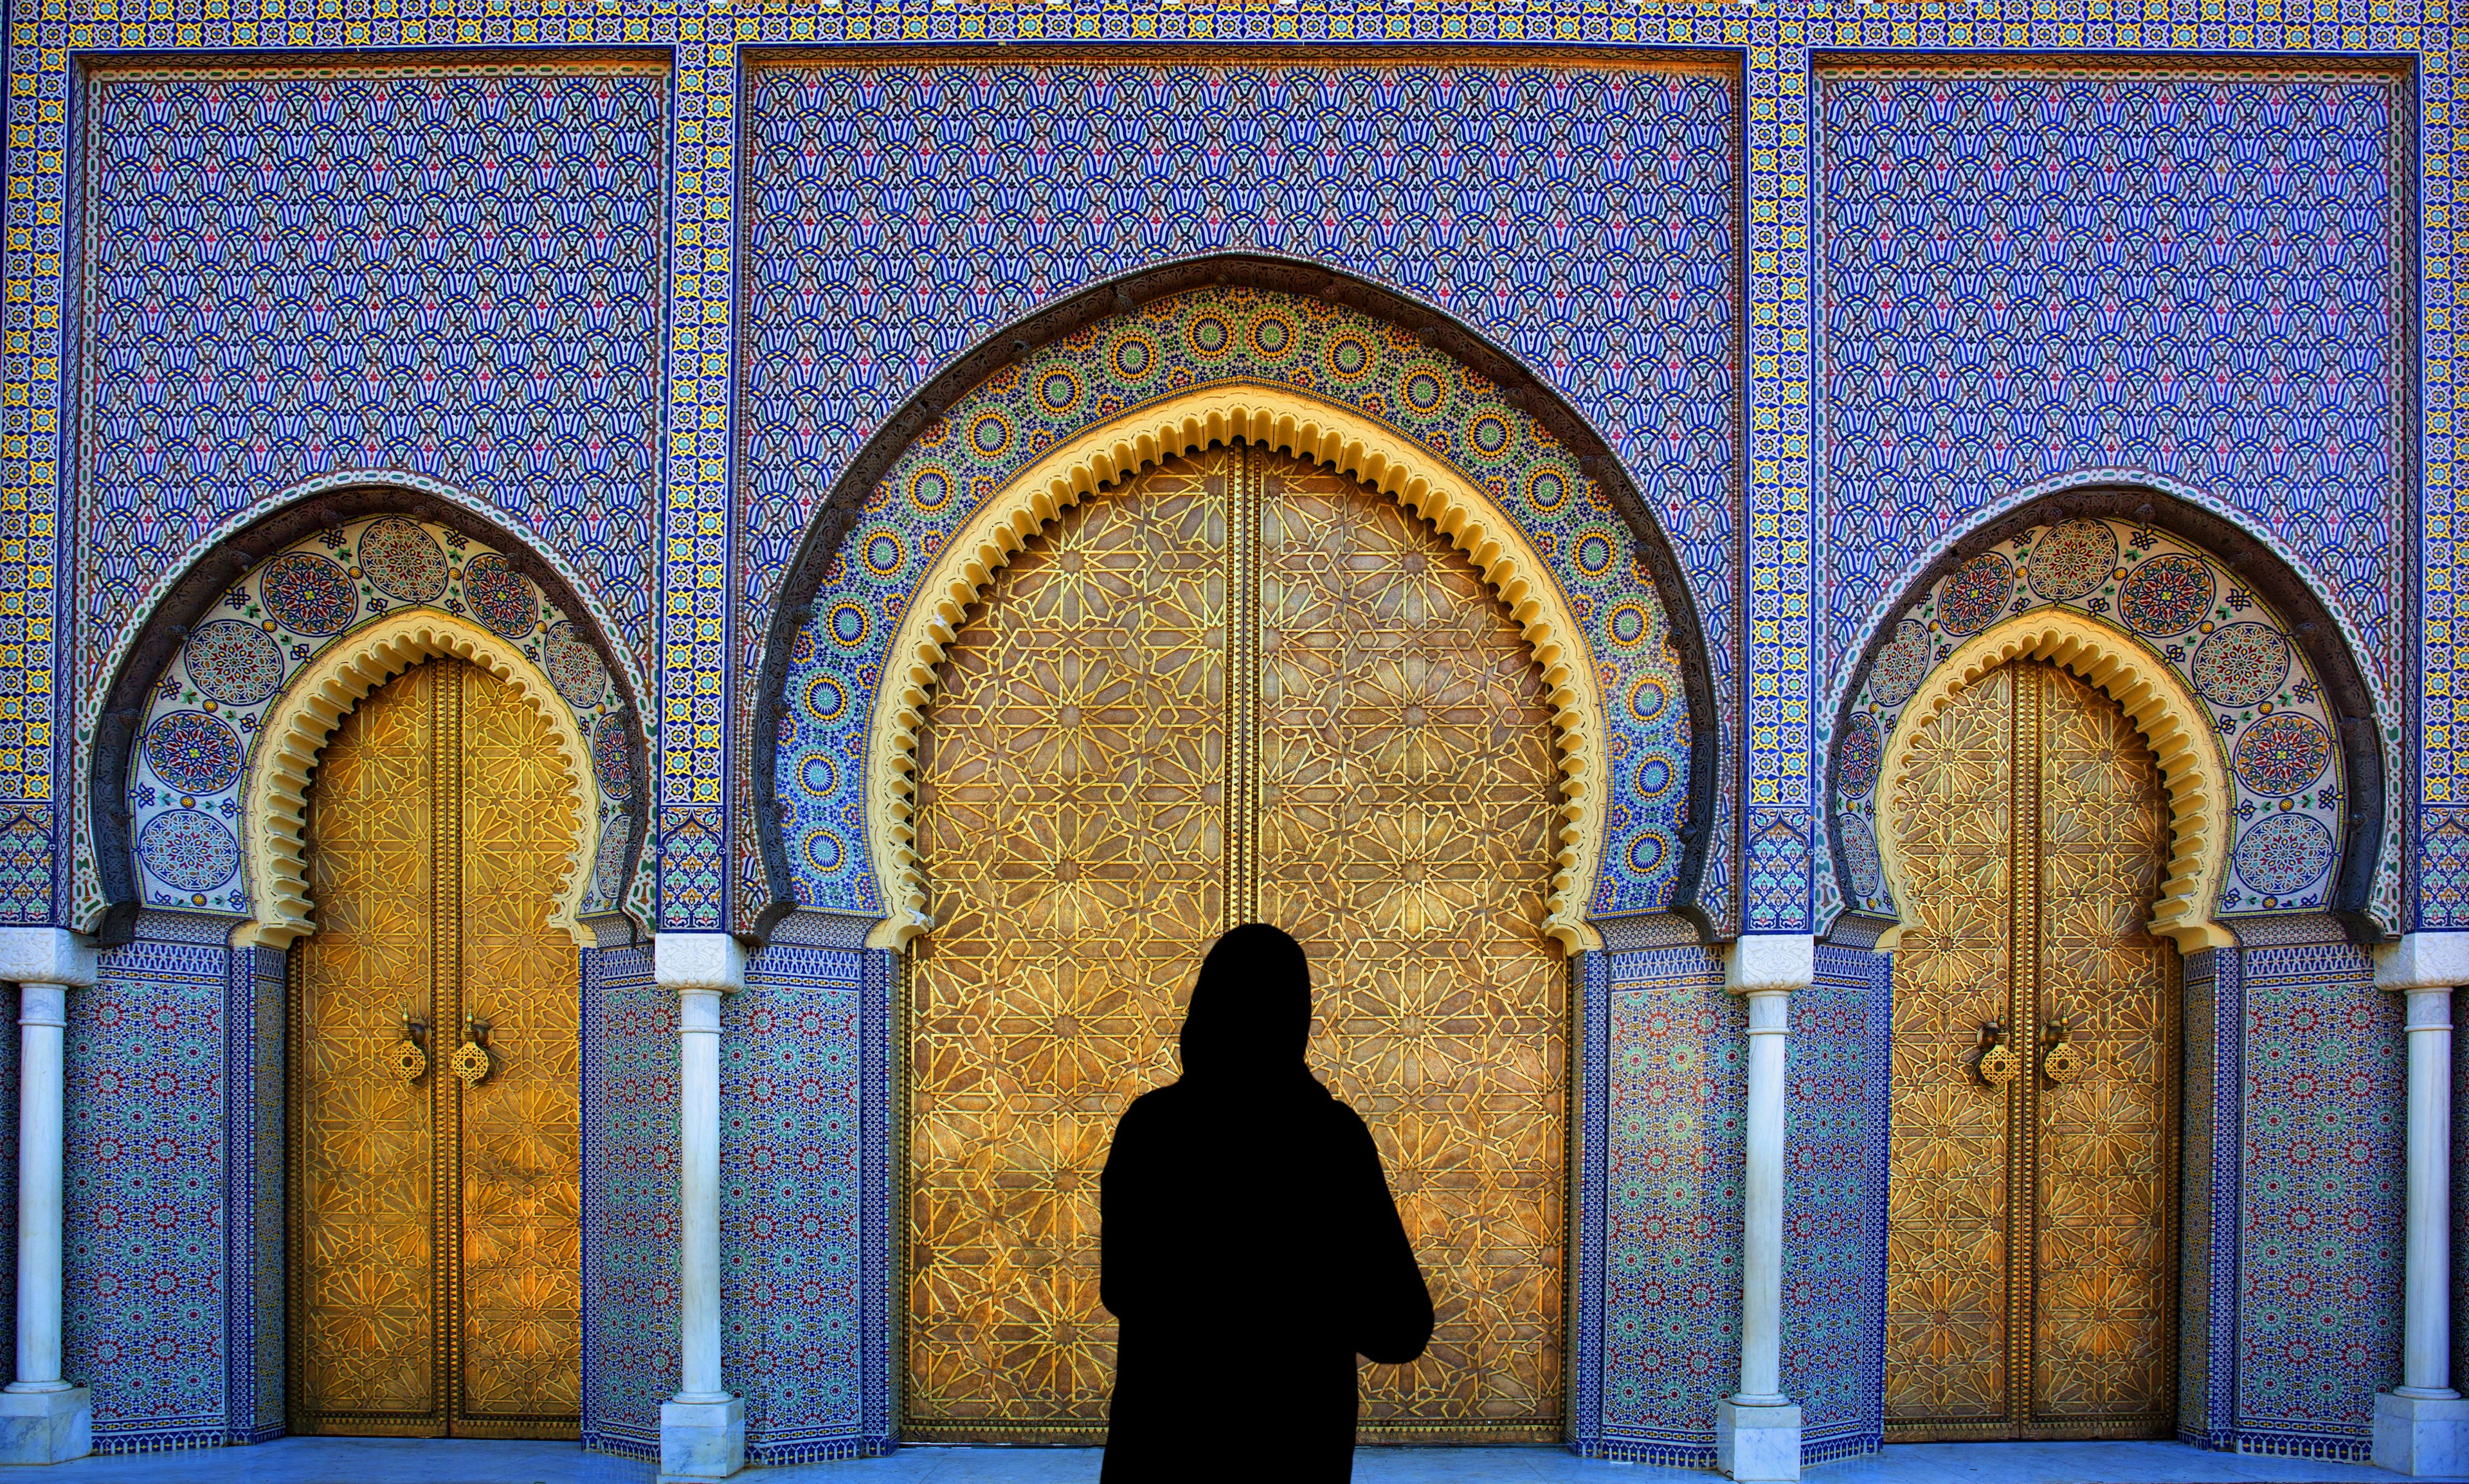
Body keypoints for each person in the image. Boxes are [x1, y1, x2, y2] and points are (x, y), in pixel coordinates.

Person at [1098, 923, 1433, 1483]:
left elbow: (1122, 1289)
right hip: (1293, 1447)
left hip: (1162, 1447)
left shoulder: (1151, 1129)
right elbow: (1400, 1327)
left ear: (1206, 1007)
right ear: (1296, 1016)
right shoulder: (1330, 1139)